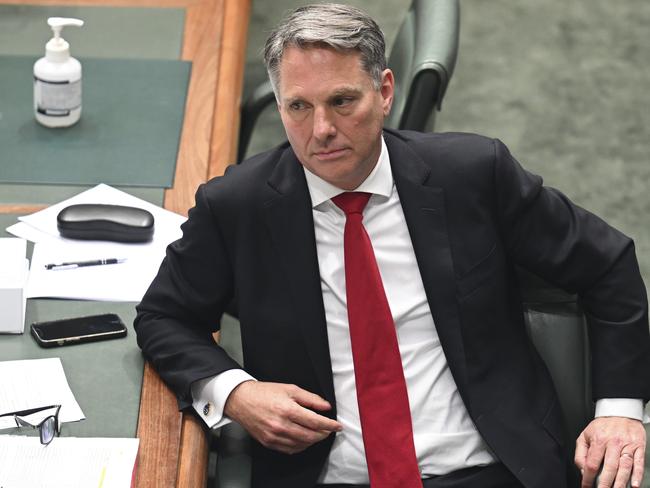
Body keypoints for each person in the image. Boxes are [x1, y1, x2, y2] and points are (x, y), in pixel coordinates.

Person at [134, 4, 650, 488]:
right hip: (331, 475)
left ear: (384, 92)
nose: (321, 130)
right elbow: (163, 317)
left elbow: (607, 266)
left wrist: (619, 413)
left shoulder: (473, 174)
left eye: (341, 101)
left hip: (487, 467)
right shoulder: (237, 206)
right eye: (298, 107)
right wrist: (236, 392)